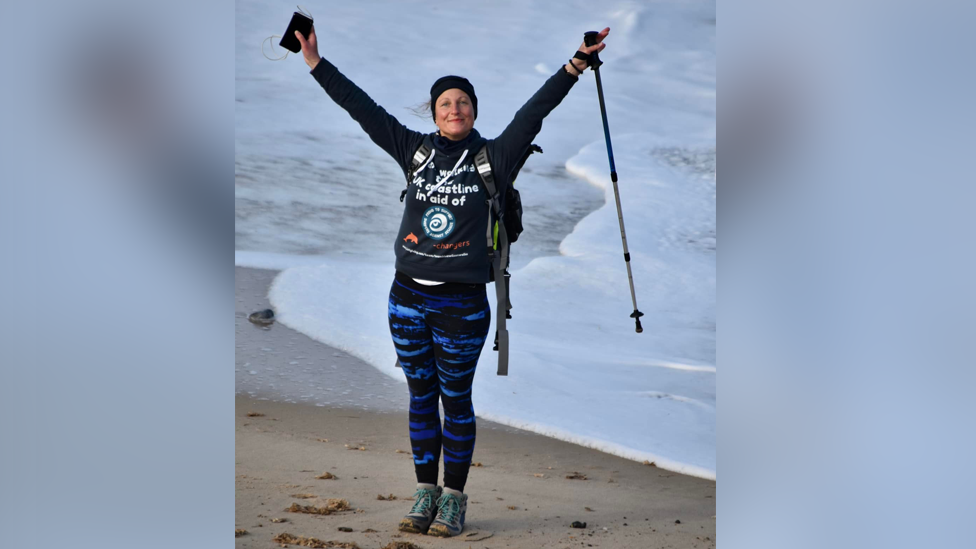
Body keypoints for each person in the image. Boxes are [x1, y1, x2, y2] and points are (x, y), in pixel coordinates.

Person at [294, 24, 609, 538]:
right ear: (434, 111)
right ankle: (425, 493)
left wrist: (575, 63)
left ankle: (455, 498)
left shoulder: (496, 158)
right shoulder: (413, 150)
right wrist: (314, 61)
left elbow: (535, 112)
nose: (454, 109)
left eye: (463, 101)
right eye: (445, 102)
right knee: (420, 397)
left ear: (474, 111)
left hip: (462, 305)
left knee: (454, 400)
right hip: (406, 298)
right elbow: (362, 108)